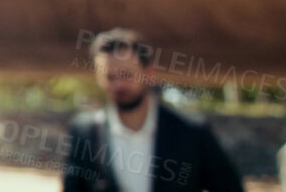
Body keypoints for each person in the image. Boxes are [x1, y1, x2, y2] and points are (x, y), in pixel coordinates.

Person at [62, 27, 244, 192]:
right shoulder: (84, 132)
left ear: (149, 73)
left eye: (126, 74)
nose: (118, 85)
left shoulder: (192, 131)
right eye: (110, 77)